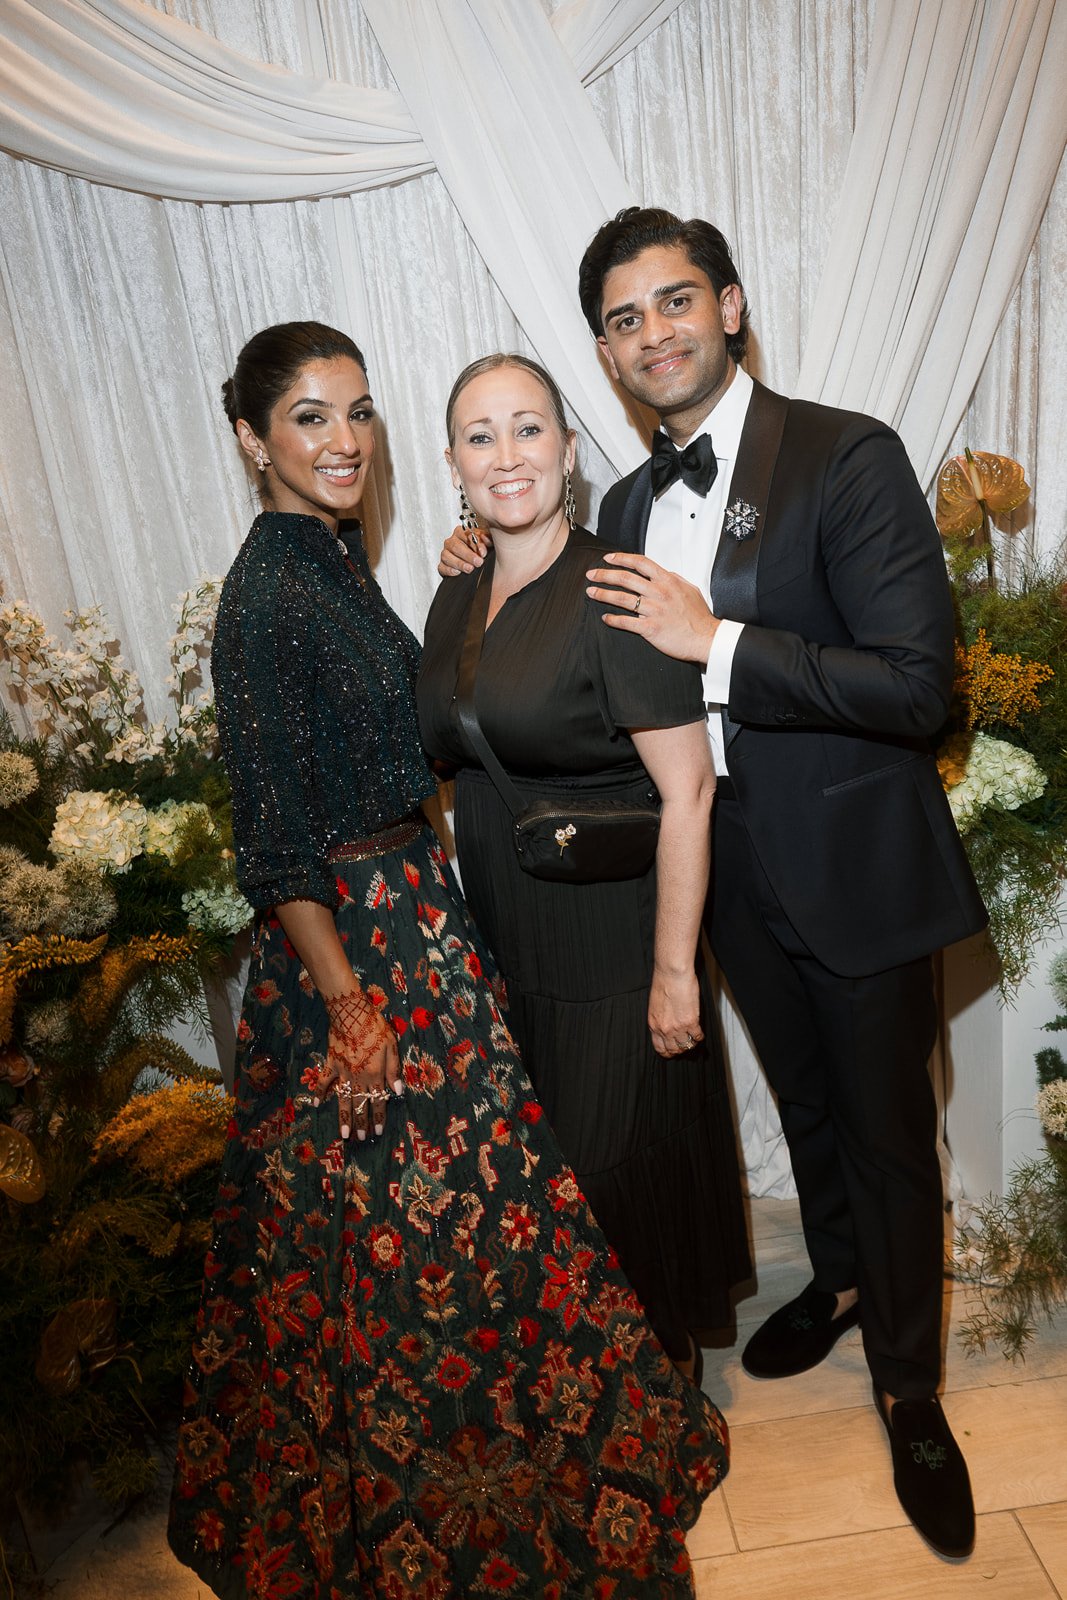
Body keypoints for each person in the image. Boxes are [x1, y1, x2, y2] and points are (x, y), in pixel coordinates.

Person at [440, 208, 989, 1560]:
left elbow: (920, 686)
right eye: (623, 320)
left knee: (881, 1123)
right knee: (800, 1102)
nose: (653, 333)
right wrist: (481, 563)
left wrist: (722, 640)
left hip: (850, 858)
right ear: (605, 356)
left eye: (674, 301)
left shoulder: (841, 453)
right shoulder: (621, 505)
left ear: (729, 307)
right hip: (714, 860)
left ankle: (911, 1387)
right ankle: (848, 1282)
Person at [167, 320, 728, 1600]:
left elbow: (434, 718)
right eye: (308, 417)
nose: (341, 439)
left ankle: (520, 1463)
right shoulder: (268, 591)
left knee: (485, 1237)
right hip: (361, 954)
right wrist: (351, 1008)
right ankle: (430, 1505)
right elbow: (273, 838)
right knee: (408, 1260)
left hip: (431, 923)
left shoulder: (345, 565)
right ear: (254, 439)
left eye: (357, 411)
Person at [417, 354, 751, 1385]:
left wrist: (671, 972)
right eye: (480, 435)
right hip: (510, 938)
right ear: (454, 464)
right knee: (546, 1168)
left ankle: (659, 1383)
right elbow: (453, 755)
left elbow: (687, 789)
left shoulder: (617, 590)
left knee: (609, 1169)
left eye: (528, 429)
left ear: (567, 453)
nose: (505, 454)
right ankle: (583, 1372)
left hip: (614, 939)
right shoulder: (454, 592)